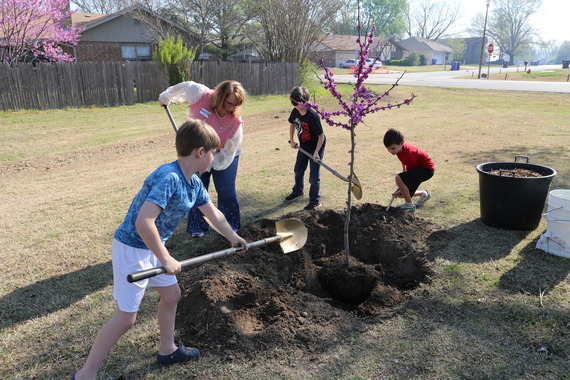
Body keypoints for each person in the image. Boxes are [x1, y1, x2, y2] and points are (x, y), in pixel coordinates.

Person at [71, 119, 248, 380]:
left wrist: (233, 237)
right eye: (214, 152)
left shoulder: (194, 183)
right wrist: (165, 258)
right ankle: (85, 374)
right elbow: (144, 222)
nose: (215, 157)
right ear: (200, 152)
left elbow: (214, 215)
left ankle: (168, 350)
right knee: (125, 319)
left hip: (154, 247)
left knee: (172, 294)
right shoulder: (169, 178)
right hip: (132, 248)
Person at [158, 80, 246, 237]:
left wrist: (212, 162)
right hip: (197, 152)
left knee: (226, 189)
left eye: (236, 105)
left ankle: (231, 226)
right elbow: (186, 86)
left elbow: (228, 151)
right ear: (219, 97)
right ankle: (197, 226)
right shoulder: (201, 95)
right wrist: (166, 96)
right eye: (229, 103)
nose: (233, 108)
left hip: (224, 153)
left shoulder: (235, 122)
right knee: (197, 189)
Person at [285, 86, 326, 210]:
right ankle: (298, 191)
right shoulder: (295, 111)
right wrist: (292, 140)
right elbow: (292, 124)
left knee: (314, 176)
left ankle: (315, 201)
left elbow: (321, 136)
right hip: (303, 146)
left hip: (316, 148)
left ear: (306, 101)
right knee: (298, 170)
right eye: (295, 104)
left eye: (299, 104)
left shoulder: (312, 116)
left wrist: (316, 153)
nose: (297, 107)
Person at [383, 128, 434, 212]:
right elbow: (404, 163)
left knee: (399, 181)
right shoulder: (399, 150)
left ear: (401, 144)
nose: (390, 151)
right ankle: (423, 194)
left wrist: (401, 186)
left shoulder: (409, 153)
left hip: (426, 170)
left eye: (392, 148)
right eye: (388, 148)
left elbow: (412, 177)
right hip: (419, 169)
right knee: (403, 192)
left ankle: (409, 205)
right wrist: (401, 187)